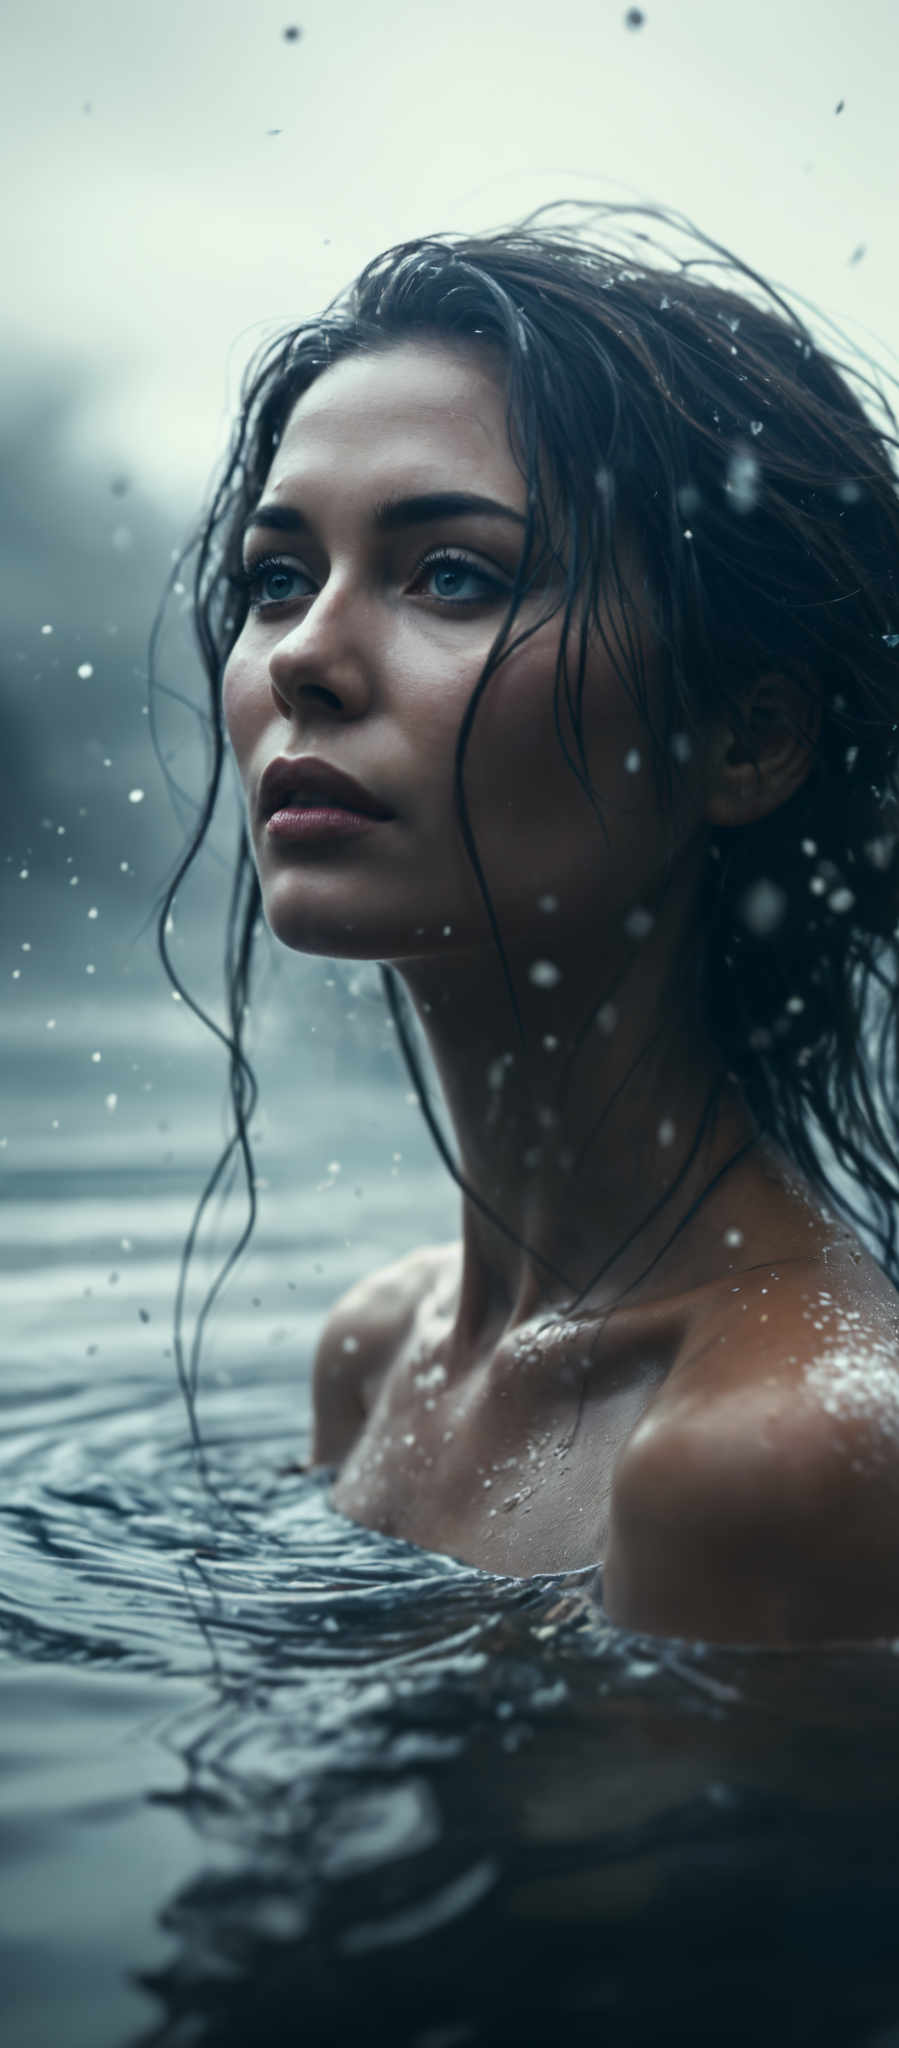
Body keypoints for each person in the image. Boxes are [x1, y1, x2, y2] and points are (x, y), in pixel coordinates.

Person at [158, 204, 899, 1644]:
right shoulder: (382, 1355)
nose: (304, 655)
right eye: (276, 577)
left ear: (745, 739)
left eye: (453, 575)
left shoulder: (782, 1450)